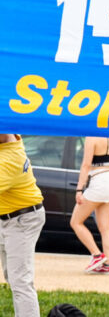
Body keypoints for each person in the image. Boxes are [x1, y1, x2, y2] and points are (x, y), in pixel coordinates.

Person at [0, 134, 46, 316]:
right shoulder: (10, 140)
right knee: (13, 276)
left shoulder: (10, 159)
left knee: (21, 282)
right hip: (8, 217)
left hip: (22, 220)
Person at [70, 137, 109, 275]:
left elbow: (86, 165)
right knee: (105, 227)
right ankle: (108, 264)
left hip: (98, 180)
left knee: (76, 222)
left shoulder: (92, 138)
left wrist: (79, 189)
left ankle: (97, 255)